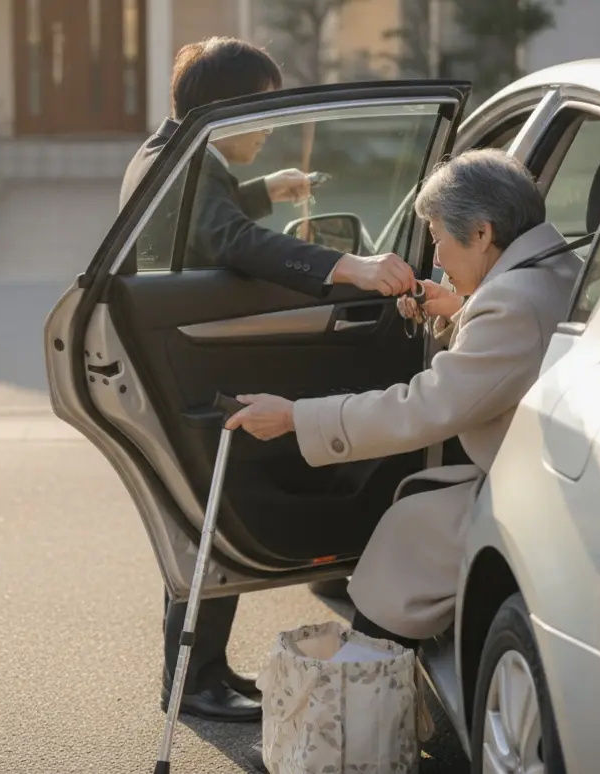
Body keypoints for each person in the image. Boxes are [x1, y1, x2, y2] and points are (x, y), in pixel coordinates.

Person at [224, 148, 581, 770]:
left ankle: (349, 738)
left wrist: (297, 417)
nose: (435, 258)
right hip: (531, 470)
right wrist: (460, 312)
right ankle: (369, 719)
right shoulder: (552, 269)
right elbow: (502, 363)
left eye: (440, 239)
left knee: (395, 559)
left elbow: (424, 407)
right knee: (402, 535)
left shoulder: (511, 303)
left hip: (516, 486)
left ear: (482, 232)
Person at [118, 36, 417, 725]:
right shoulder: (189, 162)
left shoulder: (168, 152)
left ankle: (203, 672)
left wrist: (265, 190)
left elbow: (205, 219)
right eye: (266, 110)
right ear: (224, 111)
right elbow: (231, 242)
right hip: (186, 363)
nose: (274, 125)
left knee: (207, 515)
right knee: (212, 515)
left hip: (175, 356)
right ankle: (192, 684)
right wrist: (354, 270)